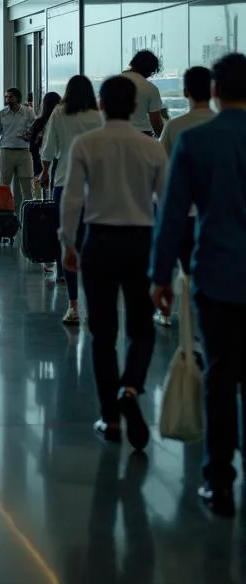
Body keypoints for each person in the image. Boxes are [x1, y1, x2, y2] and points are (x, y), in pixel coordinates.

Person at [151, 53, 246, 517]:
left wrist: (160, 275)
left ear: (213, 91)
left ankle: (219, 480)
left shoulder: (197, 141)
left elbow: (172, 214)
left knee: (221, 377)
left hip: (217, 275)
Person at [60, 75, 167, 450]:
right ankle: (132, 388)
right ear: (136, 107)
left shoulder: (86, 144)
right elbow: (165, 206)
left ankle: (111, 417)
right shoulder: (151, 148)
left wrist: (68, 244)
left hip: (99, 242)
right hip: (141, 242)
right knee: (142, 327)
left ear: (101, 105)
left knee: (102, 334)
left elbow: (72, 200)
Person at [153, 65, 215, 326]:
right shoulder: (222, 125)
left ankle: (175, 314)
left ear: (185, 91)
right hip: (216, 214)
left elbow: (162, 168)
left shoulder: (176, 127)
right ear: (212, 90)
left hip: (185, 214)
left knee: (185, 267)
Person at [39, 74, 102, 325]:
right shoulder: (98, 117)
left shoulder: (59, 113)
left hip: (65, 183)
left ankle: (73, 306)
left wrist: (44, 171)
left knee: (70, 245)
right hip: (95, 187)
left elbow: (49, 149)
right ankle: (96, 304)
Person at [0, 88, 36, 205]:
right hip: (6, 153)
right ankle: (5, 217)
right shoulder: (2, 114)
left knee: (27, 187)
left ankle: (28, 217)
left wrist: (29, 135)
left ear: (17, 98)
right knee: (4, 186)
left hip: (24, 152)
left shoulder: (28, 112)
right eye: (6, 97)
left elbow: (35, 130)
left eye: (10, 97)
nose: (7, 99)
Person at [121, 49, 165, 137]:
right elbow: (156, 122)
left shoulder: (111, 83)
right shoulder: (151, 88)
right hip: (142, 134)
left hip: (115, 132)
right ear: (151, 71)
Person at [29, 91, 61, 188]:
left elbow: (33, 147)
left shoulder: (39, 122)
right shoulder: (63, 121)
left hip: (42, 160)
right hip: (59, 160)